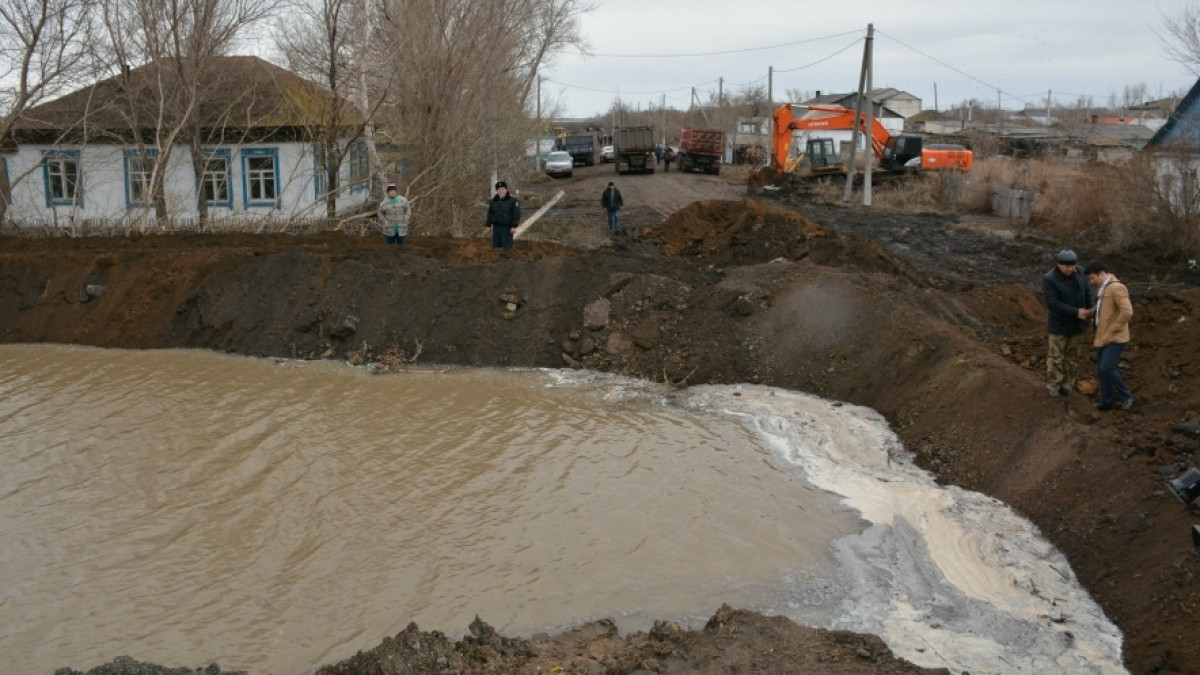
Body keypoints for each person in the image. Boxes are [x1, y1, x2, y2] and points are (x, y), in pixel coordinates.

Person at [1085, 260, 1134, 411]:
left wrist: (1112, 330)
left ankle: (1127, 396)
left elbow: (1127, 311)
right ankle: (1107, 402)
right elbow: (1103, 309)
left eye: (1093, 278)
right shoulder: (1104, 288)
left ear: (1102, 273)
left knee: (1106, 367)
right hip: (1103, 337)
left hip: (1115, 338)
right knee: (1102, 369)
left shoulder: (1117, 288)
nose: (1091, 281)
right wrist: (1089, 312)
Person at [1042, 249, 1091, 397]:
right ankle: (1053, 385)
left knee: (1072, 356)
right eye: (1066, 266)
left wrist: (1089, 311)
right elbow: (1053, 303)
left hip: (1078, 324)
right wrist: (1076, 311)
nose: (1069, 269)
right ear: (1058, 265)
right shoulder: (1050, 278)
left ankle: (1067, 384)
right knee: (1056, 356)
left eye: (1072, 266)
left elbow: (1087, 292)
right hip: (1059, 324)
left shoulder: (1081, 273)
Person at [486, 181, 521, 249]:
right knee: (496, 248)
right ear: (497, 191)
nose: (501, 191)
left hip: (506, 228)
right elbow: (490, 213)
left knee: (506, 248)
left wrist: (514, 226)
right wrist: (488, 225)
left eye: (503, 189)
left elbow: (516, 214)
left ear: (506, 190)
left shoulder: (513, 200)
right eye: (499, 190)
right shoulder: (493, 201)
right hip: (496, 228)